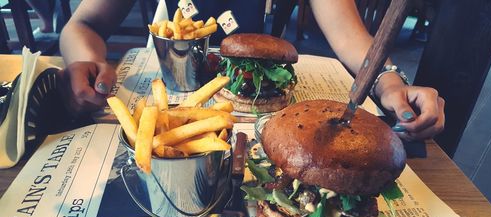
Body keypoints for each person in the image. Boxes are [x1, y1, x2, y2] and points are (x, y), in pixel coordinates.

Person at [58, 0, 444, 141]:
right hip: (174, 97)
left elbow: (350, 37)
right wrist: (84, 61)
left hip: (265, 114)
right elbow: (83, 25)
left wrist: (391, 83)